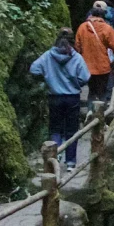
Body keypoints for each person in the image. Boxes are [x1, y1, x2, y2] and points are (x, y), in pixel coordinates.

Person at [29, 29, 90, 166]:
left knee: (55, 129)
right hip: (72, 98)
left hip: (54, 97)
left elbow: (34, 69)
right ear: (72, 41)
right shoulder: (76, 57)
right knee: (71, 130)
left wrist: (47, 78)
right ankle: (70, 162)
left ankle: (55, 157)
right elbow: (85, 77)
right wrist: (75, 83)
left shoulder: (47, 56)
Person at [75, 1, 114, 104]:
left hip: (87, 66)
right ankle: (101, 111)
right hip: (103, 67)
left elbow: (77, 46)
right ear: (104, 15)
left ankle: (90, 111)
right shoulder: (107, 28)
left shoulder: (82, 27)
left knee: (91, 91)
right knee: (102, 92)